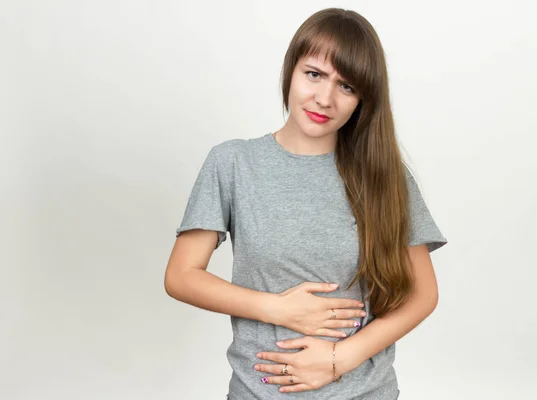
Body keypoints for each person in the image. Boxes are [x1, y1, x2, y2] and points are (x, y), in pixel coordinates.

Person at [164, 7, 448, 400]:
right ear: (290, 71)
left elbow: (423, 295)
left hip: (365, 392)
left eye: (347, 87)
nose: (325, 98)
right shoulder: (232, 163)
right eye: (313, 74)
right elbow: (181, 275)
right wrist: (275, 308)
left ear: (362, 99)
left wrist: (339, 358)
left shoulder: (386, 176)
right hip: (256, 392)